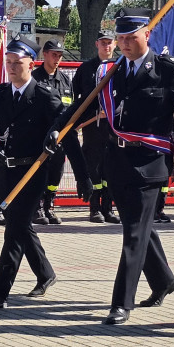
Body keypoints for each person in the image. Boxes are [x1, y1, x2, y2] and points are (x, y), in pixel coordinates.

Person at [54, 8, 174, 325]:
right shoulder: (110, 73)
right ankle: (164, 280)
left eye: (130, 37)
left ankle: (121, 303)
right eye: (120, 37)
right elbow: (83, 104)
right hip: (117, 162)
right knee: (139, 226)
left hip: (150, 163)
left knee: (134, 233)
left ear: (147, 35)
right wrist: (57, 129)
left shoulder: (167, 70)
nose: (124, 43)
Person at [0, 35, 81, 307]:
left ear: (30, 63)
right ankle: (45, 273)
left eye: (17, 62)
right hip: (5, 173)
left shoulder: (45, 96)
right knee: (20, 226)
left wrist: (83, 175)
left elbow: (67, 130)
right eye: (8, 62)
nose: (11, 67)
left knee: (14, 229)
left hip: (32, 173)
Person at [30, 39, 86, 225]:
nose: (57, 59)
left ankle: (49, 205)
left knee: (56, 174)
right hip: (40, 136)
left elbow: (70, 107)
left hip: (61, 137)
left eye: (60, 55)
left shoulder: (64, 80)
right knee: (40, 172)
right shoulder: (34, 78)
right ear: (44, 54)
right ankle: (37, 206)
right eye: (54, 54)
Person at [72, 31, 121, 224]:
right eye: (103, 43)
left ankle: (108, 208)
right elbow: (77, 97)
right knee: (94, 169)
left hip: (113, 127)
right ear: (96, 44)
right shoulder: (86, 69)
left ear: (115, 45)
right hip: (92, 127)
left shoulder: (120, 66)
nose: (106, 46)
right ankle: (94, 209)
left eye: (109, 43)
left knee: (110, 170)